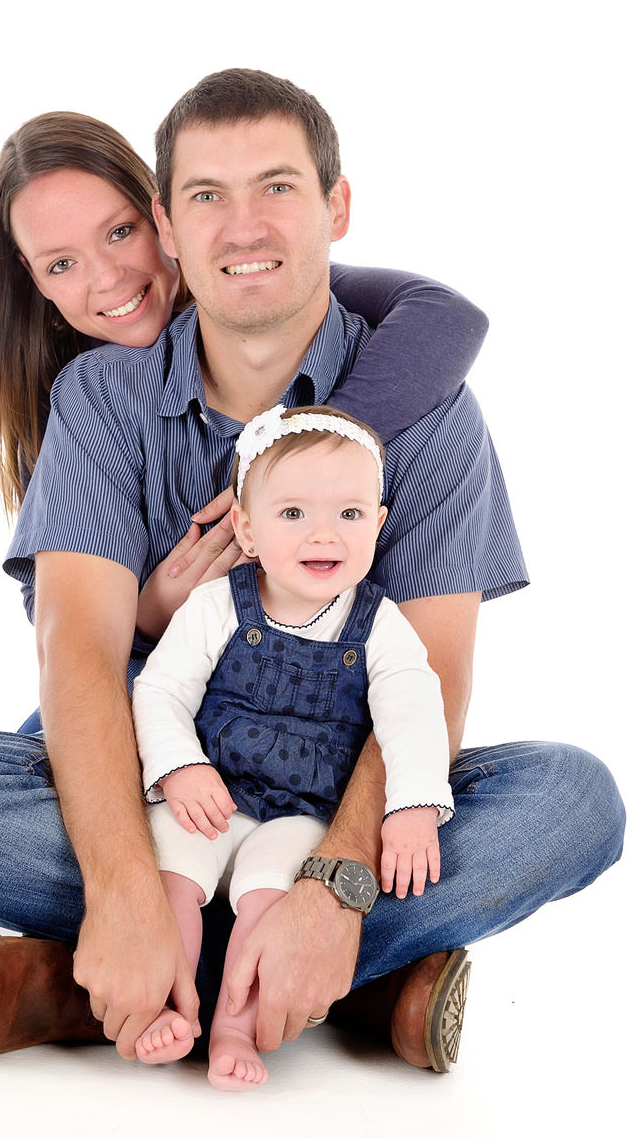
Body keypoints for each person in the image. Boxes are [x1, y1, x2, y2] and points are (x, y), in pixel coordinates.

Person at [0, 70, 624, 1073]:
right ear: (170, 223)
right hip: (156, 782)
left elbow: (428, 680)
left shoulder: (427, 408)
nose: (241, 227)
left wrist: (338, 887)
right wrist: (124, 882)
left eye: (274, 186)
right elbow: (77, 654)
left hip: (327, 794)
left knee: (571, 801)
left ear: (335, 207)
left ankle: (93, 979)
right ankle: (315, 981)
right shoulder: (101, 396)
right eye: (204, 197)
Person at [0, 109, 490, 646]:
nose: (107, 277)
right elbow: (68, 632)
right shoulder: (87, 394)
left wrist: (306, 449)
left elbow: (444, 314)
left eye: (121, 232)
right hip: (148, 684)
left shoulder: (259, 285)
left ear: (166, 220)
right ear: (32, 278)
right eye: (61, 264)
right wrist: (153, 609)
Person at [133, 404, 455, 1089]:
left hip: (305, 817)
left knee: (272, 903)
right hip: (210, 797)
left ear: (379, 523)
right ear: (246, 530)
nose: (323, 535)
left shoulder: (380, 626)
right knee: (170, 883)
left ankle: (234, 1028)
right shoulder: (218, 604)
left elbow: (414, 715)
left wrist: (414, 806)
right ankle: (168, 1002)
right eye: (292, 515)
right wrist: (180, 767)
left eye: (348, 514)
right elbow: (160, 691)